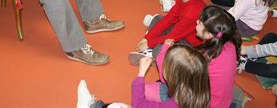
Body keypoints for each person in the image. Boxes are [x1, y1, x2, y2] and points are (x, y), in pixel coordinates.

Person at [144, 5, 239, 108]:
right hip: (220, 101)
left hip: (198, 103)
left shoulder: (204, 59)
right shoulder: (229, 44)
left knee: (144, 90)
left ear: (208, 34)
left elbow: (165, 76)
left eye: (200, 22)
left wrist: (165, 48)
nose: (196, 21)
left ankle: (152, 52)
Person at [77, 44, 211, 108]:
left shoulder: (173, 105)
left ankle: (92, 106)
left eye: (166, 65)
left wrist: (141, 74)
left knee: (117, 107)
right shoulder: (198, 96)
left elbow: (138, 104)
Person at [129, 0, 208, 63]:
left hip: (190, 46)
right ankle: (151, 49)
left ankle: (153, 54)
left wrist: (149, 44)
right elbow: (167, 20)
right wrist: (146, 39)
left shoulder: (191, 14)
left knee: (166, 49)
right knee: (158, 19)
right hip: (181, 35)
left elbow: (173, 36)